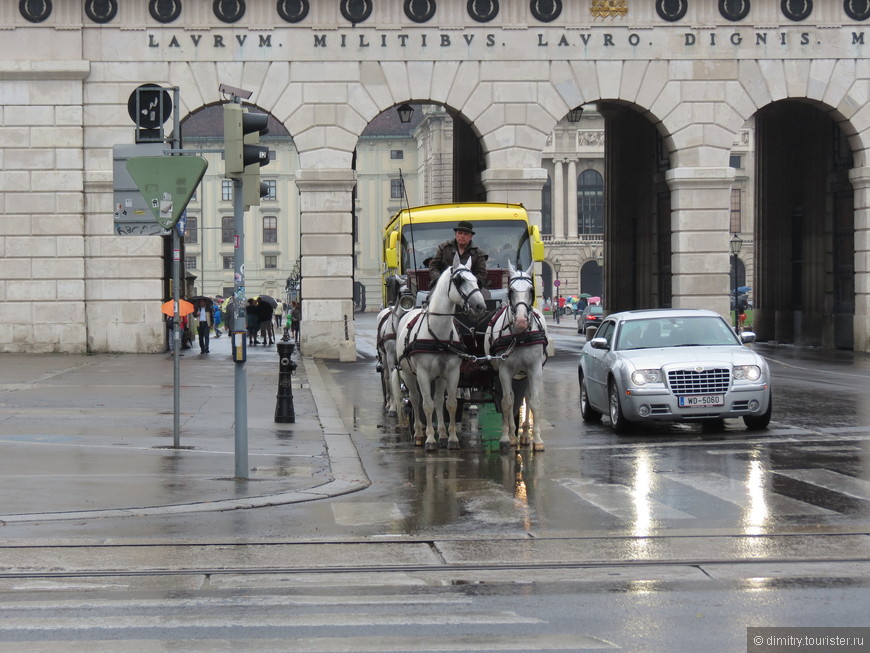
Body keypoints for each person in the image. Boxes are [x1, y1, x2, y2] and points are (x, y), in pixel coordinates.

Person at [427, 220, 488, 289]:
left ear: (471, 236)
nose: (462, 236)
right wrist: (439, 279)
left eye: (465, 234)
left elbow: (482, 274)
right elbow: (433, 266)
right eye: (460, 233)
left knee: (485, 297)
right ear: (456, 234)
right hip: (444, 286)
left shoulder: (479, 254)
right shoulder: (444, 248)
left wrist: (469, 281)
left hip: (471, 287)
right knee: (431, 298)